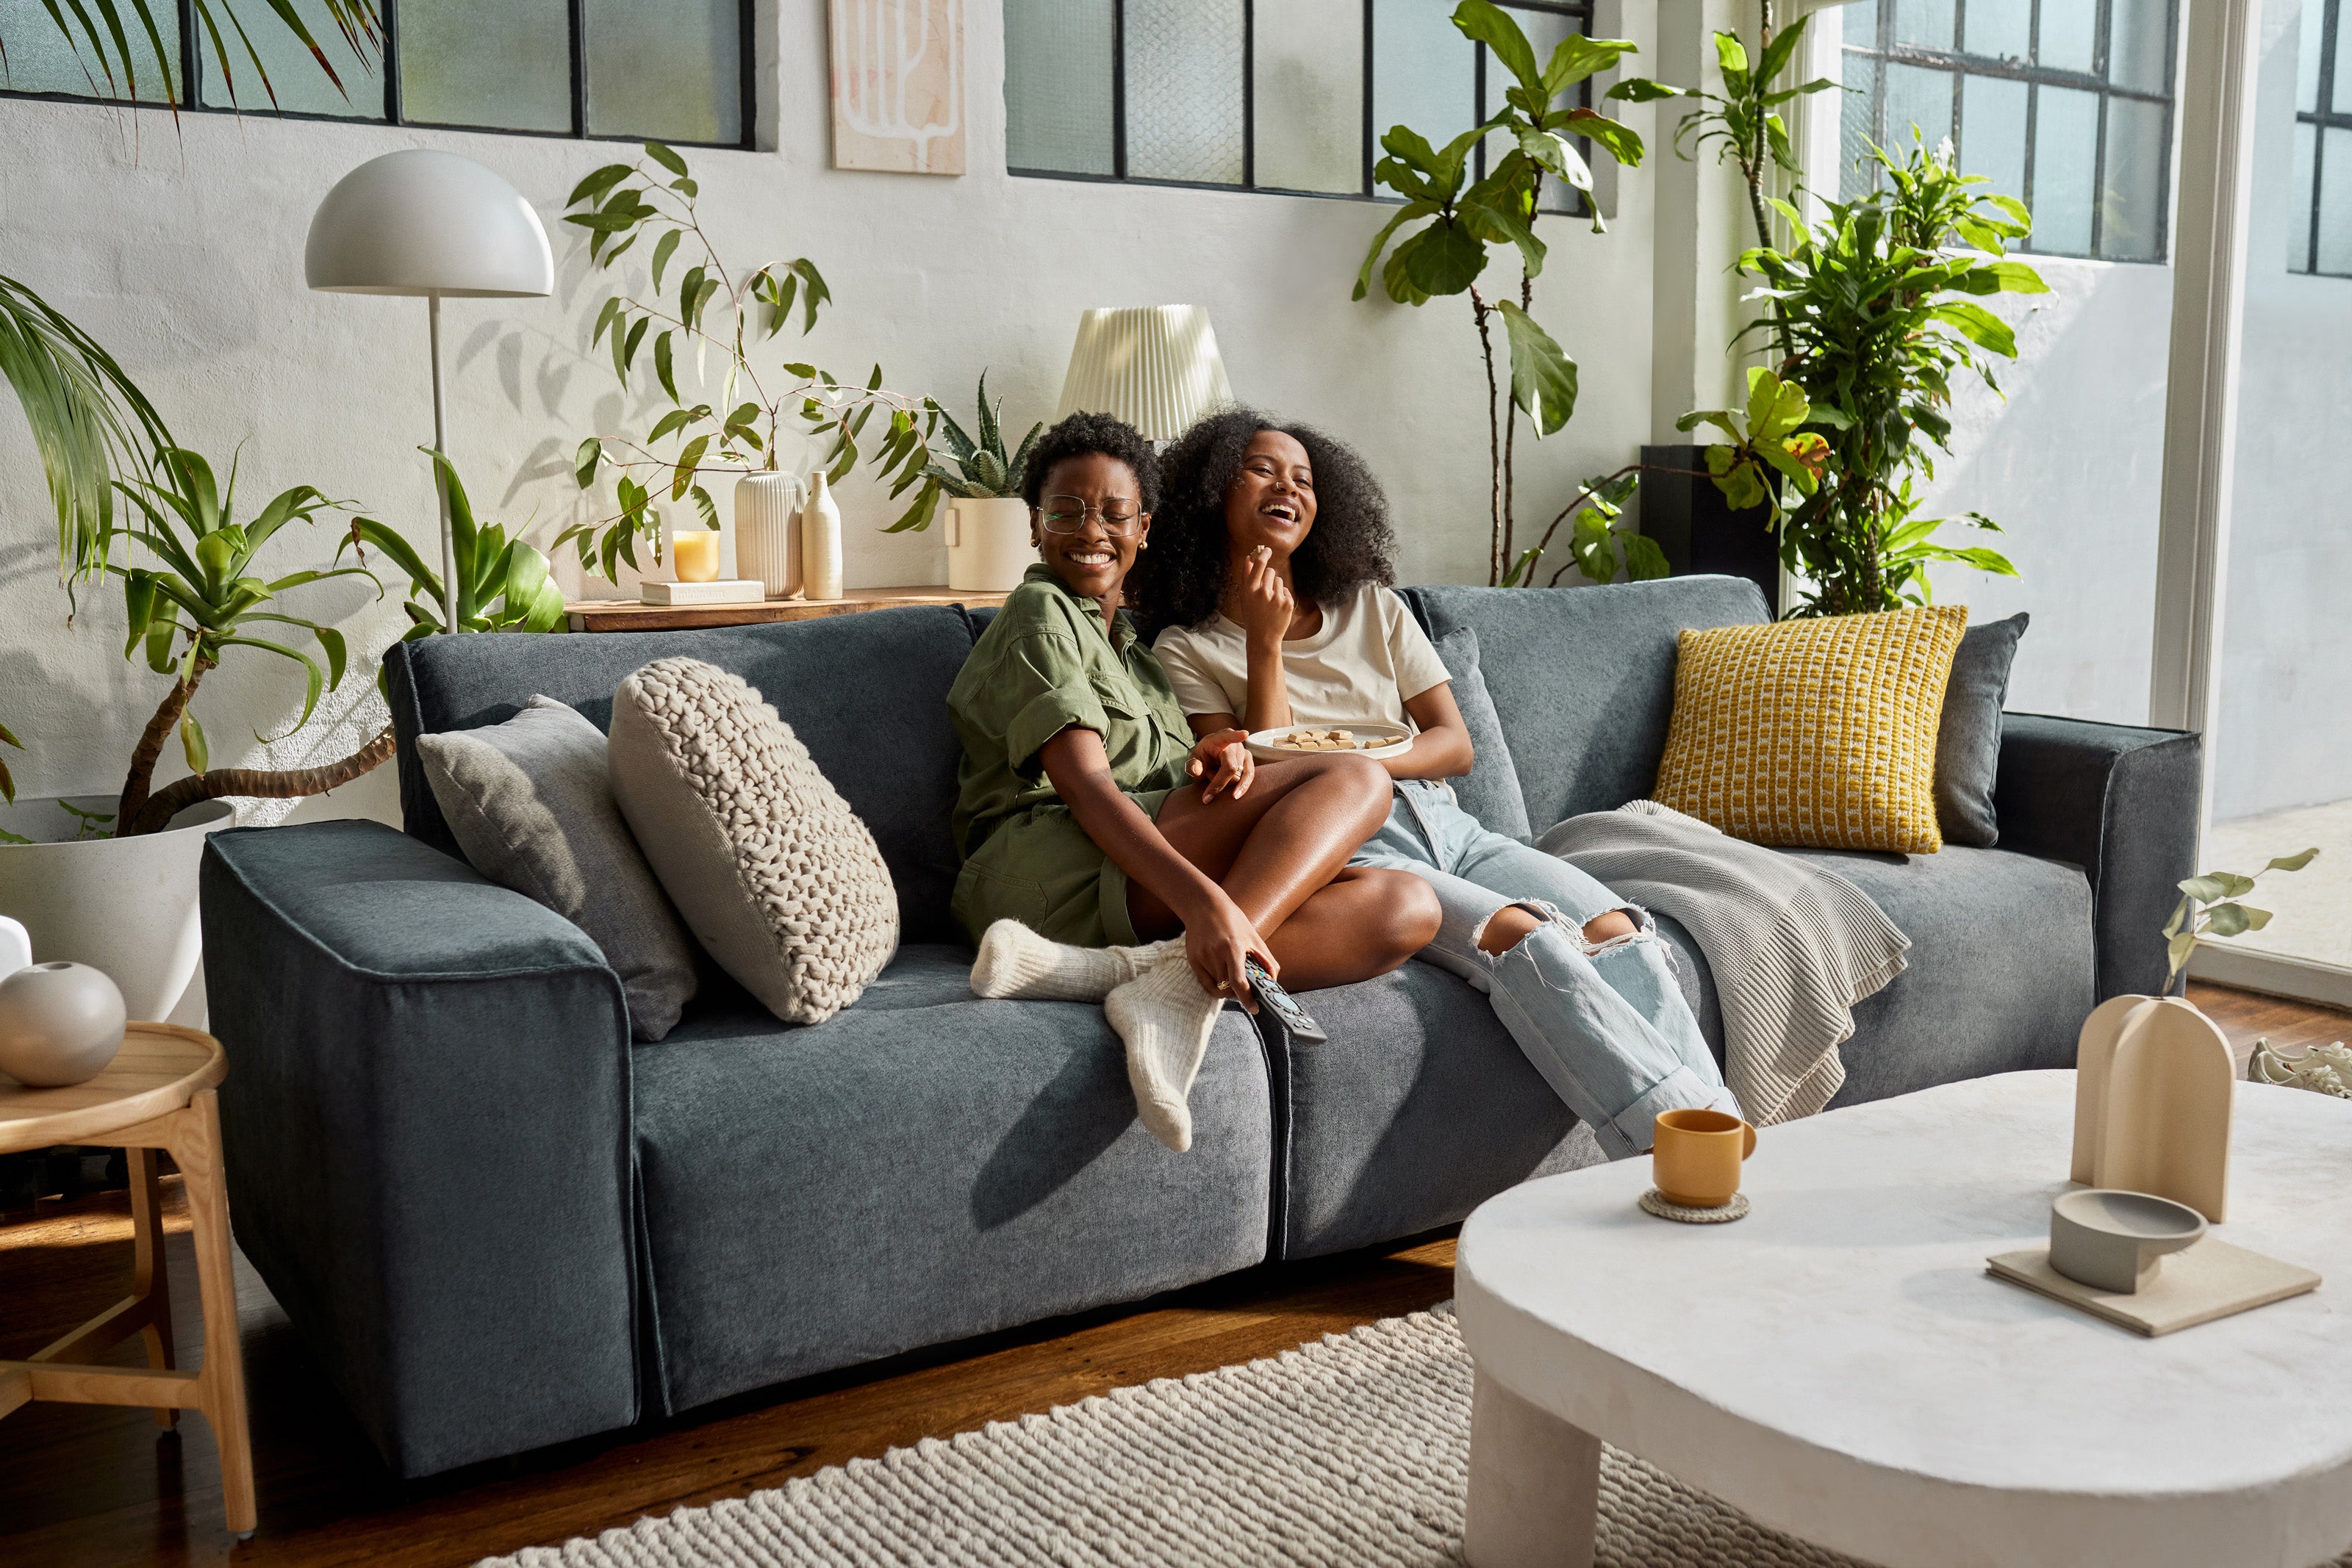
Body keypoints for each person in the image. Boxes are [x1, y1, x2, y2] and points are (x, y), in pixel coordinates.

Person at [1139, 408, 1740, 1158]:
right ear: (1210, 494)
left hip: (1450, 826)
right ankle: (1678, 1151)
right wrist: (1264, 646)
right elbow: (1267, 776)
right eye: (1261, 469)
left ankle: (1721, 1127)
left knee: (1617, 926)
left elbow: (1452, 746)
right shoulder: (1185, 647)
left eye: (1302, 476)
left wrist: (1362, 762)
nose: (1286, 485)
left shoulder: (1373, 609)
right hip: (1353, 847)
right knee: (1524, 938)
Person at [947, 411, 1439, 1150]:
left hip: (1125, 863)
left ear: (1143, 527)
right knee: (1358, 778)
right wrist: (1206, 904)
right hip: (1047, 862)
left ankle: (1154, 979)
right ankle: (1182, 977)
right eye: (1066, 511)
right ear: (1034, 524)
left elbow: (1165, 786)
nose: (1091, 531)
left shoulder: (1137, 653)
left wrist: (1215, 756)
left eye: (1115, 513)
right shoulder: (1039, 612)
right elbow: (1086, 790)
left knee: (1404, 907)